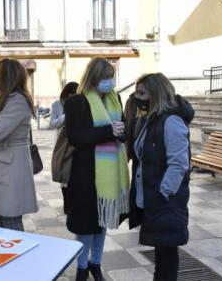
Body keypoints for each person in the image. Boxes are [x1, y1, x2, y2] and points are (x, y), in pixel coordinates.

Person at [64, 57, 130, 281]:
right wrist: (108, 132)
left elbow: (124, 131)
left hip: (110, 174)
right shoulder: (77, 102)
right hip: (85, 174)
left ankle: (96, 263)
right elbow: (76, 137)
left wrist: (122, 132)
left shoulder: (116, 99)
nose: (109, 82)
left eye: (111, 77)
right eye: (105, 78)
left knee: (103, 221)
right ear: (93, 77)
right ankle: (82, 267)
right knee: (85, 225)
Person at [128, 73, 193, 281]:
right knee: (162, 252)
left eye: (141, 93)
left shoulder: (171, 121)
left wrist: (163, 192)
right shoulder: (150, 119)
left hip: (166, 201)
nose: (137, 97)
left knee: (166, 254)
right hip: (154, 200)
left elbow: (179, 163)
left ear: (156, 94)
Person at [0, 58, 38, 231]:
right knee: (4, 222)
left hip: (11, 169)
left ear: (6, 77)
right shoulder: (9, 99)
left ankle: (19, 258)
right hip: (7, 167)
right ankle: (10, 256)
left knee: (10, 223)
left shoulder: (17, 100)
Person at [49, 82, 79, 214]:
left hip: (75, 142)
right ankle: (66, 204)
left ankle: (72, 204)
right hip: (61, 143)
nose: (72, 99)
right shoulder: (57, 104)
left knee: (72, 172)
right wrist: (66, 116)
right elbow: (52, 124)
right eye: (70, 96)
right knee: (63, 171)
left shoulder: (80, 103)